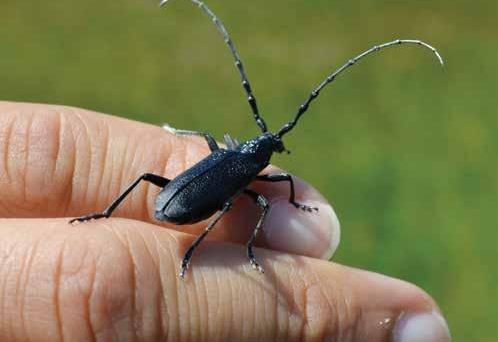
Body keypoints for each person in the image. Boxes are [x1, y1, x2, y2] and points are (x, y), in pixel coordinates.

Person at [0, 101, 451, 341]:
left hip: (180, 197)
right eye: (272, 148)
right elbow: (266, 189)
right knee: (237, 204)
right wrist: (253, 240)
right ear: (264, 155)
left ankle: (149, 228)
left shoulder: (238, 159)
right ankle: (136, 225)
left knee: (233, 201)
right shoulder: (252, 171)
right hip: (185, 201)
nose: (275, 153)